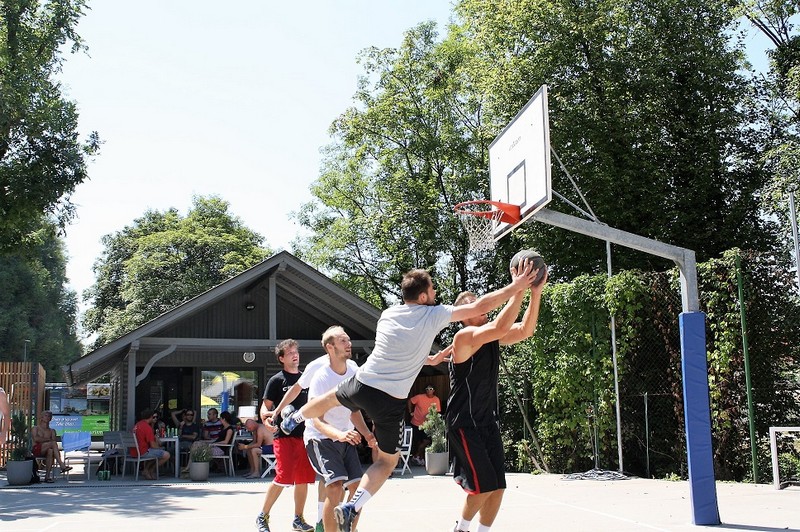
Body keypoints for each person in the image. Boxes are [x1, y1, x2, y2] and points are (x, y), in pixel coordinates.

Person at [281, 262, 537, 532]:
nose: (436, 293)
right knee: (386, 461)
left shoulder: (388, 314)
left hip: (364, 383)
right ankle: (352, 506)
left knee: (331, 397)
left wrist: (431, 358)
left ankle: (294, 418)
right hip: (391, 401)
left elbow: (405, 349)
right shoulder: (435, 315)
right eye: (433, 289)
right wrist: (517, 286)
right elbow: (482, 308)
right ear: (424, 296)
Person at [447, 268, 546, 532]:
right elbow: (501, 326)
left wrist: (535, 293)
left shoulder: (492, 335)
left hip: (487, 421)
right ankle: (461, 529)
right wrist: (518, 286)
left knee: (498, 487)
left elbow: (525, 330)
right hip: (464, 423)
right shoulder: (463, 338)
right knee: (484, 486)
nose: (481, 305)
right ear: (463, 316)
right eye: (473, 304)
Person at [299, 326, 374, 532]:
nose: (349, 344)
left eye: (348, 340)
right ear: (330, 348)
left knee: (358, 490)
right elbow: (316, 420)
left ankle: (348, 529)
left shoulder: (354, 371)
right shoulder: (321, 377)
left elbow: (354, 410)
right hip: (320, 439)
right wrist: (340, 434)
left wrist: (368, 434)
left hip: (345, 437)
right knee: (334, 487)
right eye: (343, 341)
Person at [255, 339, 317, 532]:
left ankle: (298, 519)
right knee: (284, 477)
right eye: (290, 353)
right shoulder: (277, 380)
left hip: (305, 436)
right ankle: (262, 516)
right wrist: (266, 420)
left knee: (303, 479)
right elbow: (265, 407)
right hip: (284, 436)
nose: (295, 355)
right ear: (281, 358)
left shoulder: (306, 379)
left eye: (296, 352)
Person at [31, 410, 71, 482]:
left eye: (49, 416)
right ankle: (61, 465)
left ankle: (47, 477)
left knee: (51, 451)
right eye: (45, 416)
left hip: (47, 450)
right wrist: (48, 440)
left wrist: (47, 441)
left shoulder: (52, 431)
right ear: (41, 417)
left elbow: (53, 443)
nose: (47, 417)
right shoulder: (36, 428)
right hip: (37, 449)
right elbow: (36, 439)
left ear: (51, 418)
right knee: (53, 443)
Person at [132, 408, 171, 480]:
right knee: (166, 455)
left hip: (133, 452)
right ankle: (151, 470)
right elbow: (153, 445)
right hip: (143, 452)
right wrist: (160, 448)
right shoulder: (147, 427)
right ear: (150, 416)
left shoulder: (137, 425)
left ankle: (146, 470)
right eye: (153, 417)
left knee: (155, 452)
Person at [408, 384, 441, 465]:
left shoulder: (436, 399)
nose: (429, 391)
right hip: (416, 423)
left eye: (431, 389)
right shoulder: (419, 397)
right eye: (427, 389)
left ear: (434, 390)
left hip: (427, 424)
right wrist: (410, 412)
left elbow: (437, 411)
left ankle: (416, 456)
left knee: (426, 441)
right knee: (417, 441)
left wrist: (432, 419)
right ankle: (420, 458)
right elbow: (410, 401)